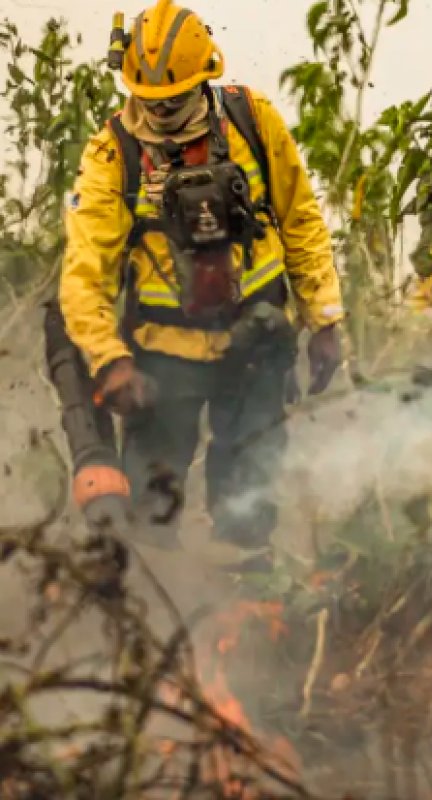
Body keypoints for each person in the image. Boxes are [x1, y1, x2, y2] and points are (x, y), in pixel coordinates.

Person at [57, 0, 345, 566]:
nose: (162, 112)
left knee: (248, 503)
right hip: (165, 359)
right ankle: (158, 621)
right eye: (151, 100)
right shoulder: (114, 153)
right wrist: (110, 359)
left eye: (174, 99)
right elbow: (85, 272)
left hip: (256, 345)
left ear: (206, 78)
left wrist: (326, 320)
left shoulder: (252, 121)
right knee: (150, 517)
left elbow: (302, 221)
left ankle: (253, 616)